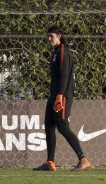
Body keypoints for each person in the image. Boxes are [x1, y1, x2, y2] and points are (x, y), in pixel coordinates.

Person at [33, 26, 91, 171]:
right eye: (47, 36)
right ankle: (50, 162)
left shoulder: (64, 50)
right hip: (54, 94)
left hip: (62, 95)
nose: (49, 39)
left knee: (62, 126)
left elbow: (65, 74)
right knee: (49, 125)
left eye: (51, 36)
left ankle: (83, 159)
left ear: (59, 36)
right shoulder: (56, 52)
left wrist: (59, 96)